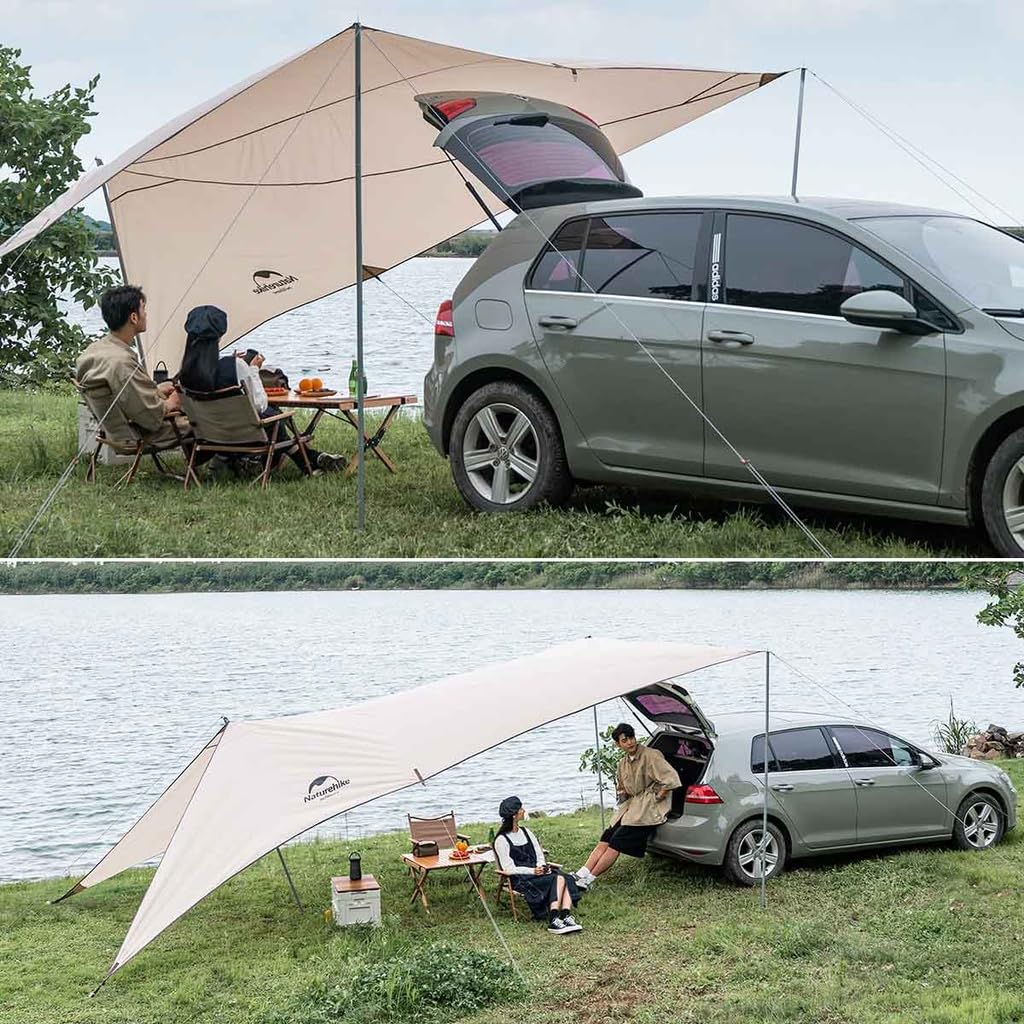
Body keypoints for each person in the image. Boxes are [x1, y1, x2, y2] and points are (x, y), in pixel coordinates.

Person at [178, 305, 345, 474]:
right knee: (273, 415)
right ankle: (310, 460)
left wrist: (235, 364)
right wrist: (253, 369)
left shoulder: (184, 375)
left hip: (209, 437)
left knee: (272, 416)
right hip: (246, 437)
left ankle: (311, 461)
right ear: (220, 336)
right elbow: (260, 405)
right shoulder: (235, 366)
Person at [76, 285, 189, 446]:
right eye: (143, 309)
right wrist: (172, 401)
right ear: (134, 317)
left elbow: (122, 393)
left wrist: (155, 391)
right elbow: (150, 415)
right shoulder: (121, 362)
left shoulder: (95, 351)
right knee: (203, 423)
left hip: (114, 432)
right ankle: (218, 467)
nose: (146, 314)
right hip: (138, 435)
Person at [574, 723, 681, 889]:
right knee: (607, 837)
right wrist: (622, 795)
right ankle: (582, 872)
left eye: (631, 738)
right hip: (631, 805)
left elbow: (671, 777)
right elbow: (622, 786)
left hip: (648, 808)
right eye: (625, 740)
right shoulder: (622, 763)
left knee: (617, 841)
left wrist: (661, 794)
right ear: (618, 744)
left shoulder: (651, 755)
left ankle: (589, 880)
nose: (630, 742)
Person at [493, 796, 582, 935]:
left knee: (566, 877)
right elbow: (508, 868)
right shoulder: (501, 840)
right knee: (559, 879)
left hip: (538, 873)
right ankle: (553, 920)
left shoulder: (526, 832)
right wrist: (533, 871)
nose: (524, 811)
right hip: (522, 878)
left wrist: (542, 867)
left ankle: (565, 916)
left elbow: (539, 854)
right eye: (521, 809)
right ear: (514, 815)